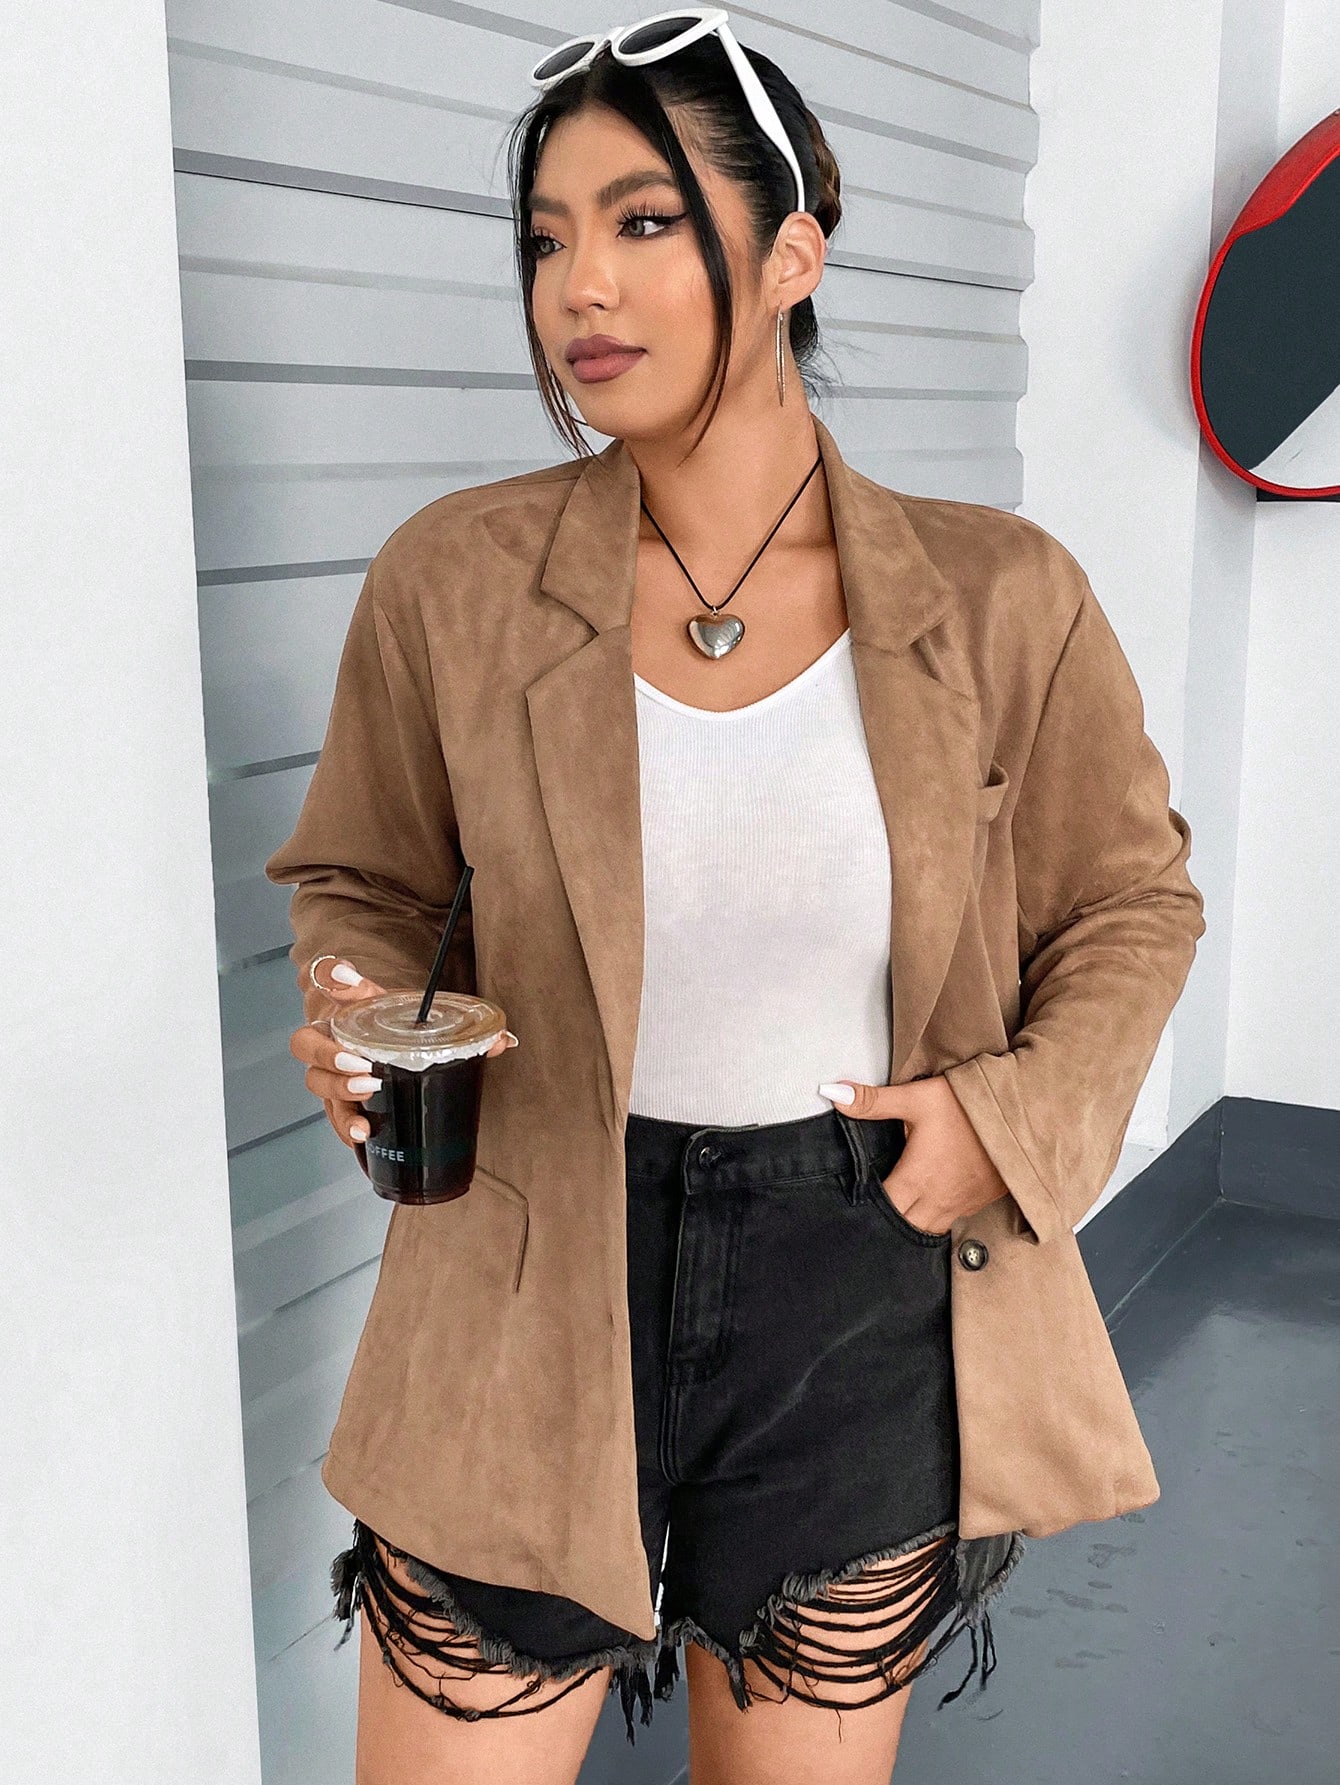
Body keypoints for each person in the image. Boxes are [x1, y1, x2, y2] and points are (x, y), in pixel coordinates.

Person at [264, 13, 1207, 1784]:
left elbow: (1131, 902)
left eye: (643, 221)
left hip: (856, 1274)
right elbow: (365, 880)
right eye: (547, 236)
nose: (579, 285)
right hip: (525, 1257)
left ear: (790, 255)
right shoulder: (456, 579)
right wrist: (360, 1000)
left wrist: (1008, 1123)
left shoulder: (1001, 597)